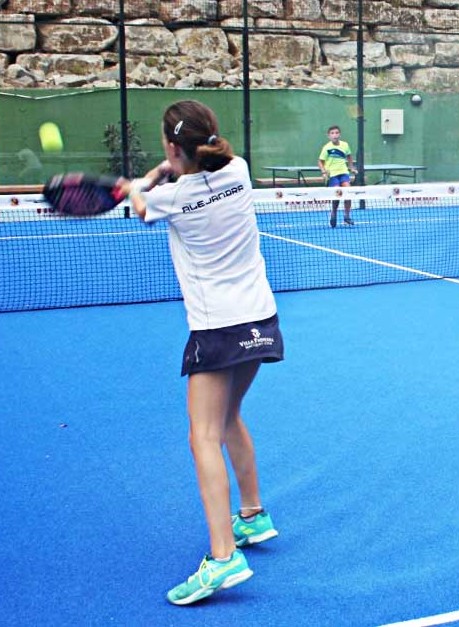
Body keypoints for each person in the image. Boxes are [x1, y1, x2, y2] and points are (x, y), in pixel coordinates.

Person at [118, 100, 283, 606]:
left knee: (202, 437)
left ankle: (222, 556)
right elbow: (185, 170)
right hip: (261, 320)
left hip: (215, 330)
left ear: (171, 147)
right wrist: (164, 170)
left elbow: (144, 207)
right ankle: (254, 517)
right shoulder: (239, 170)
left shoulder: (169, 197)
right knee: (231, 416)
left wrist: (133, 187)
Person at [318, 125, 356, 227]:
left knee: (348, 192)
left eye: (336, 133)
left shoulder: (345, 145)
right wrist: (323, 172)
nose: (335, 135)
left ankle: (347, 216)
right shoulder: (327, 148)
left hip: (343, 173)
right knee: (337, 194)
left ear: (339, 134)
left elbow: (349, 156)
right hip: (333, 175)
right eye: (332, 133)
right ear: (329, 136)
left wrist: (351, 167)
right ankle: (333, 213)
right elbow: (320, 161)